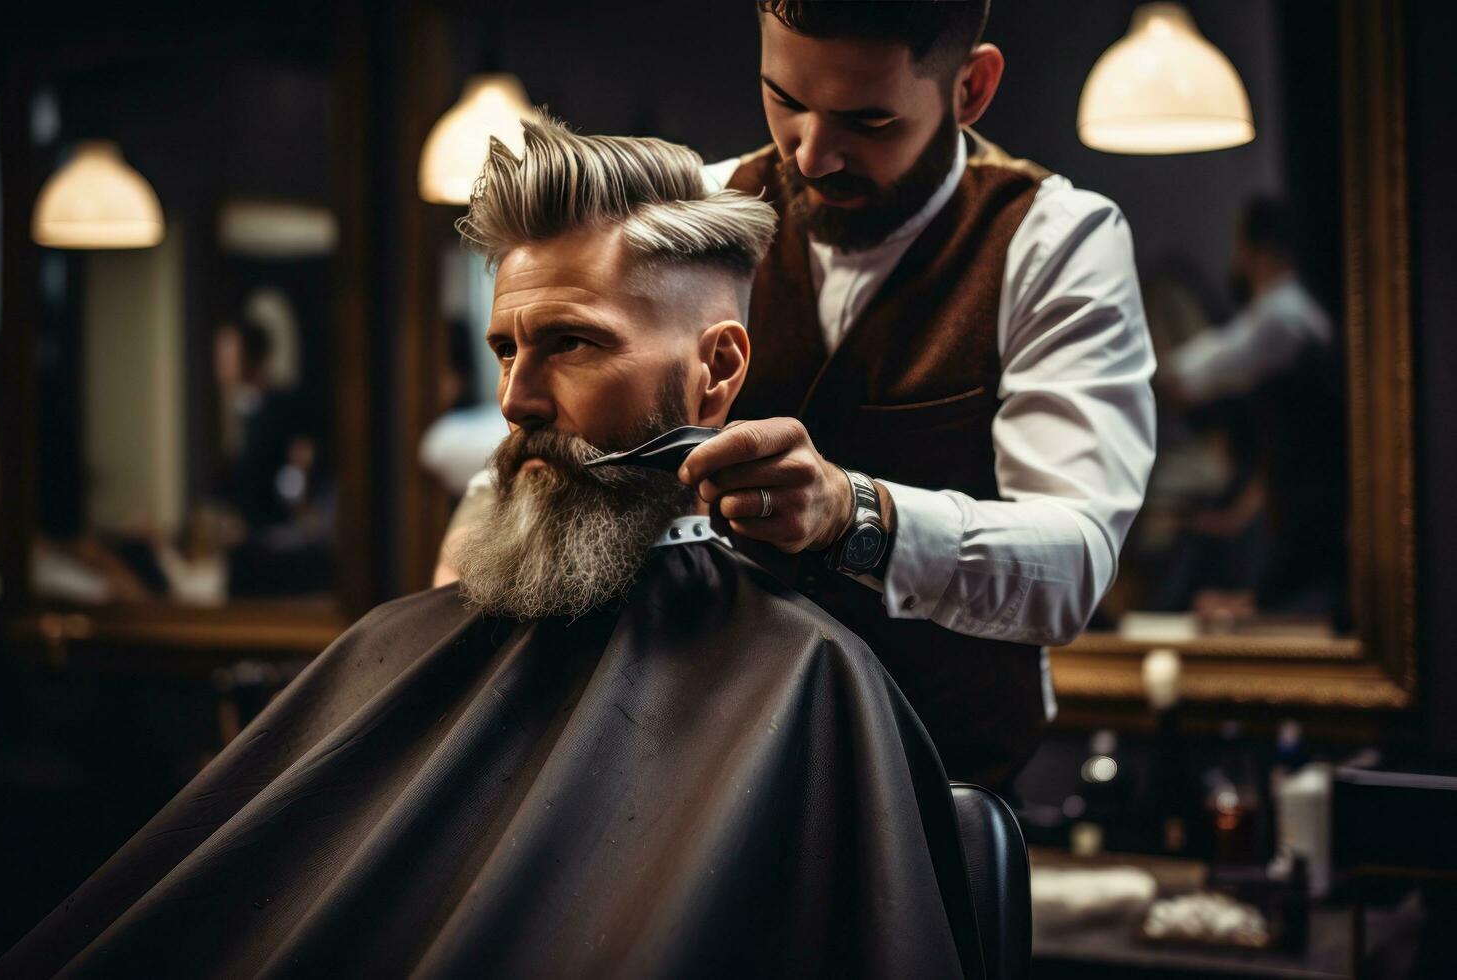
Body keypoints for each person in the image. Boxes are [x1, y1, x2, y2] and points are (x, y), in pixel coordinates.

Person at [0, 118, 985, 980]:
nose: (515, 400)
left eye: (572, 343)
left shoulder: (807, 683)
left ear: (717, 369)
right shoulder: (412, 636)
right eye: (507, 349)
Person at [433, 1, 1158, 789]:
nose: (811, 156)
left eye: (868, 121)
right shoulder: (704, 222)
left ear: (971, 89)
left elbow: (1076, 564)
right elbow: (559, 442)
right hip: (704, 775)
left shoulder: (1052, 243)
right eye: (786, 101)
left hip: (942, 788)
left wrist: (856, 515)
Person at [1162, 195, 1345, 618]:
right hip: (1294, 503)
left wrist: (1162, 366)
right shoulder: (1295, 315)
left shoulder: (1284, 318)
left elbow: (1199, 372)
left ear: (1252, 248)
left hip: (1308, 505)